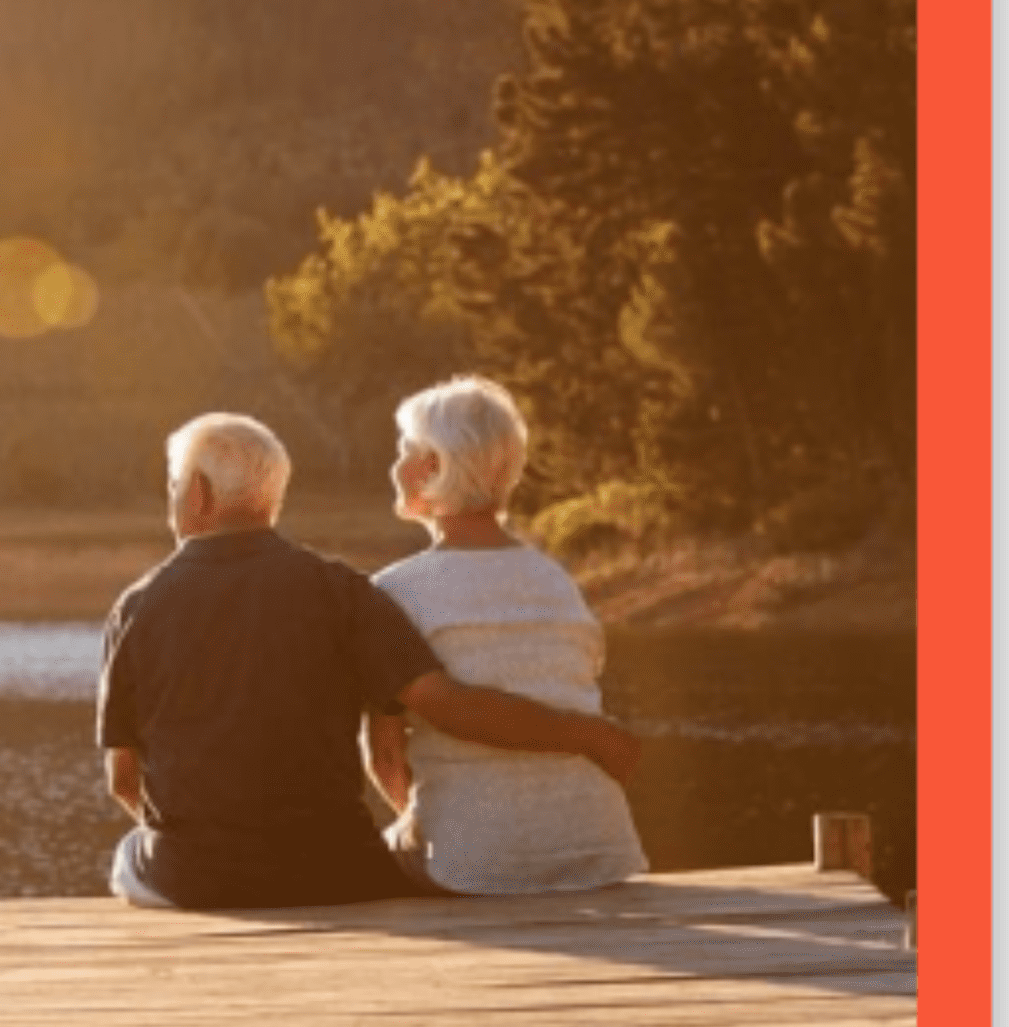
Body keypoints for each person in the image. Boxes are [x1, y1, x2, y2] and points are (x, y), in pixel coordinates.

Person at [97, 411, 640, 910]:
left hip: (196, 879)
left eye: (172, 485)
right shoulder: (344, 592)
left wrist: (209, 849)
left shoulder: (137, 608)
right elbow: (443, 702)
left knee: (127, 858)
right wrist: (589, 735)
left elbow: (124, 779)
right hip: (338, 873)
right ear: (272, 496)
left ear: (197, 495)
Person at [362, 377, 649, 893]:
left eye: (405, 451)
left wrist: (454, 828)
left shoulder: (392, 591)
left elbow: (385, 757)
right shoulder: (557, 582)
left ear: (433, 468)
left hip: (470, 864)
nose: (394, 466)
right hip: (597, 848)